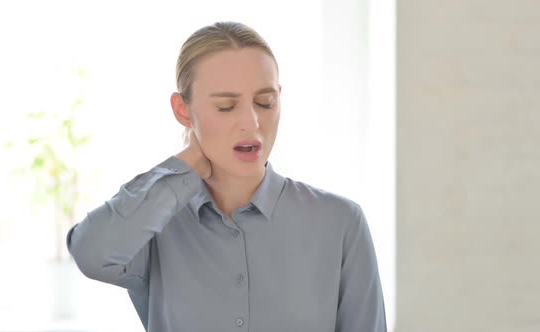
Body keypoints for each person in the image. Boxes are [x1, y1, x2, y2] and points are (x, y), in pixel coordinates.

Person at [66, 21, 387, 332]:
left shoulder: (339, 221)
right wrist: (187, 162)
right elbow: (92, 254)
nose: (251, 122)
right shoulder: (154, 226)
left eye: (265, 102)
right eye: (225, 106)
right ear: (182, 110)